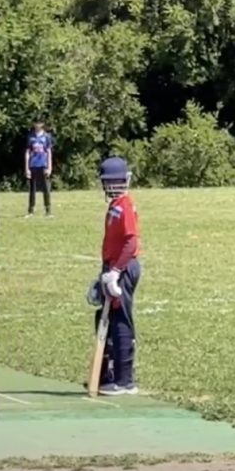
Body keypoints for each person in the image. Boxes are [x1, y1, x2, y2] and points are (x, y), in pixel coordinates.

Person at [85, 157, 141, 395]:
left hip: (124, 268)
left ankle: (125, 379)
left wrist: (116, 272)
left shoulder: (125, 205)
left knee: (121, 319)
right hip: (114, 266)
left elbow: (131, 241)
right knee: (107, 318)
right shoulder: (116, 204)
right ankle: (110, 375)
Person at [24, 120, 54, 217]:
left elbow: (49, 152)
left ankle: (48, 210)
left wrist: (49, 167)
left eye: (39, 123)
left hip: (43, 165)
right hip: (33, 165)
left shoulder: (46, 137)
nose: (37, 125)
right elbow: (27, 152)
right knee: (32, 189)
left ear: (42, 124)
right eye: (36, 123)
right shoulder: (30, 137)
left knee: (46, 188)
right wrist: (27, 168)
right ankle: (31, 210)